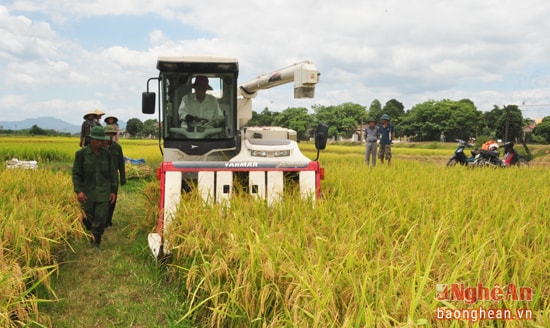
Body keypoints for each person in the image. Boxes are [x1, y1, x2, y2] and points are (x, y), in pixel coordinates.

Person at [72, 126, 117, 251]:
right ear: (91, 140)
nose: (100, 143)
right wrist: (79, 190)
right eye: (97, 141)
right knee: (87, 218)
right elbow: (76, 174)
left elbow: (113, 173)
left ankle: (96, 242)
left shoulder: (106, 154)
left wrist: (113, 190)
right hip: (87, 192)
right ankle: (90, 233)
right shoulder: (81, 154)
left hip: (103, 191)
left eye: (101, 141)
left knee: (101, 217)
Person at [103, 124, 126, 227]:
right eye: (106, 134)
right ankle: (102, 219)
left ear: (113, 135)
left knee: (112, 200)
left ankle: (108, 220)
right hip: (102, 177)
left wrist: (122, 177)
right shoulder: (99, 147)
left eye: (110, 134)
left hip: (113, 178)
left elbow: (121, 163)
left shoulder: (117, 147)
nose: (109, 136)